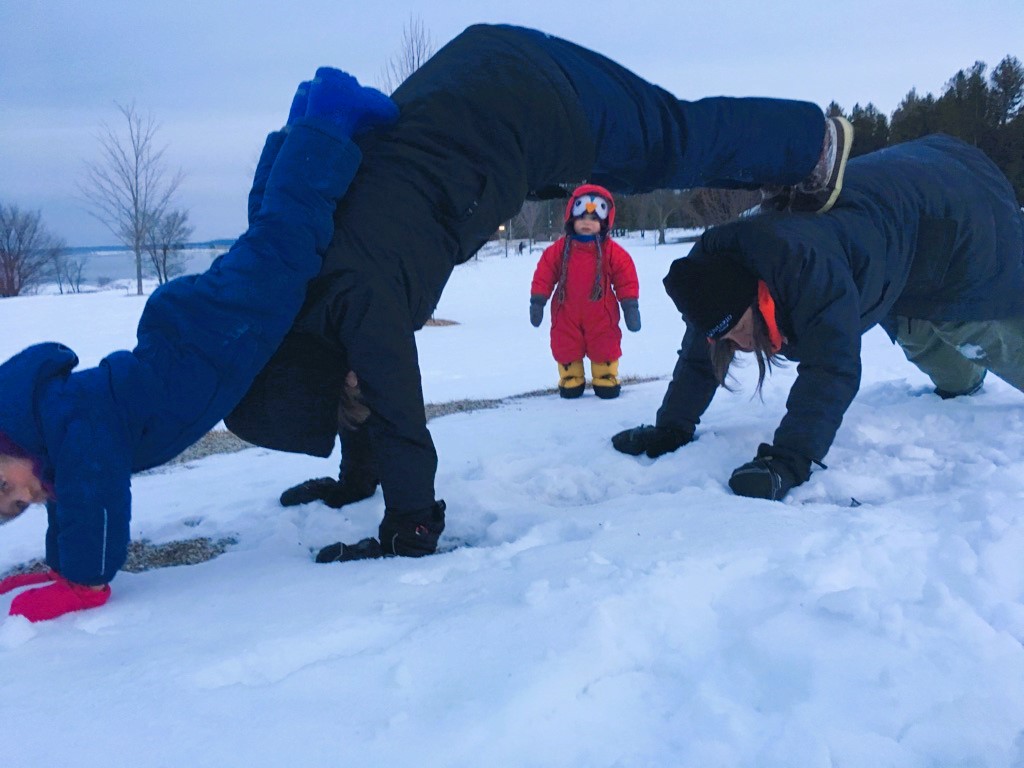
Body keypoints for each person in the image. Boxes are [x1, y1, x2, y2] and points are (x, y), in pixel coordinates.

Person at [225, 23, 855, 560]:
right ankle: (788, 158)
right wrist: (354, 481)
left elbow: (395, 411)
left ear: (321, 373)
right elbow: (362, 388)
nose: (352, 396)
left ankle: (811, 142)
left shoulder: (356, 295)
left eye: (338, 403)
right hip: (486, 89)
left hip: (520, 102)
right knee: (652, 144)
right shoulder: (311, 292)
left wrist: (409, 527)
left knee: (669, 139)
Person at [0, 70, 399, 621]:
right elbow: (71, 501)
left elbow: (96, 502)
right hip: (196, 335)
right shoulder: (54, 431)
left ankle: (330, 114)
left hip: (209, 340)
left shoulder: (72, 427)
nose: (28, 496)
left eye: (7, 486)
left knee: (288, 243)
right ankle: (307, 117)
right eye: (18, 507)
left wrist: (84, 583)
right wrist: (55, 567)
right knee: (270, 237)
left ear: (5, 441)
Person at [612, 134, 1024, 501]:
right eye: (730, 341)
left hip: (962, 225)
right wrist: (673, 427)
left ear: (759, 297)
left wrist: (789, 461)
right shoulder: (711, 277)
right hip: (891, 257)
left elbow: (832, 366)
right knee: (943, 365)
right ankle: (963, 378)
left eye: (740, 331)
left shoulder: (804, 267)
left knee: (978, 332)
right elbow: (701, 353)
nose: (740, 345)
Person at [530, 184, 640, 399]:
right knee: (565, 342)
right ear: (572, 220)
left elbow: (625, 275)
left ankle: (605, 376)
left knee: (604, 341)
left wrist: (630, 305)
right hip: (565, 309)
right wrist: (538, 300)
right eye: (581, 218)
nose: (587, 223)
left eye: (593, 219)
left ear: (604, 223)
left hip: (601, 311)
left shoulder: (611, 251)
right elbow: (544, 272)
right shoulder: (560, 249)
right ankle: (571, 378)